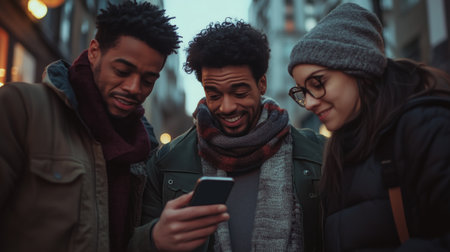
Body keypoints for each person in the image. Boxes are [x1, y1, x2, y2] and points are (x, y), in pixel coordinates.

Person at [128, 19, 326, 252]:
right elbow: (129, 242)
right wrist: (154, 238)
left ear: (261, 84)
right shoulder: (166, 162)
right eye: (214, 95)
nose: (227, 107)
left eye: (239, 92)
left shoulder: (318, 153)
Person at [0, 1, 180, 251]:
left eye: (148, 80)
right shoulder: (22, 108)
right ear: (94, 51)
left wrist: (153, 238)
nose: (134, 88)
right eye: (121, 71)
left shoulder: (144, 148)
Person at [288, 3, 450, 251]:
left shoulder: (426, 126)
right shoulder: (339, 149)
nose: (309, 102)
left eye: (318, 83)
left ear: (359, 68)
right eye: (303, 91)